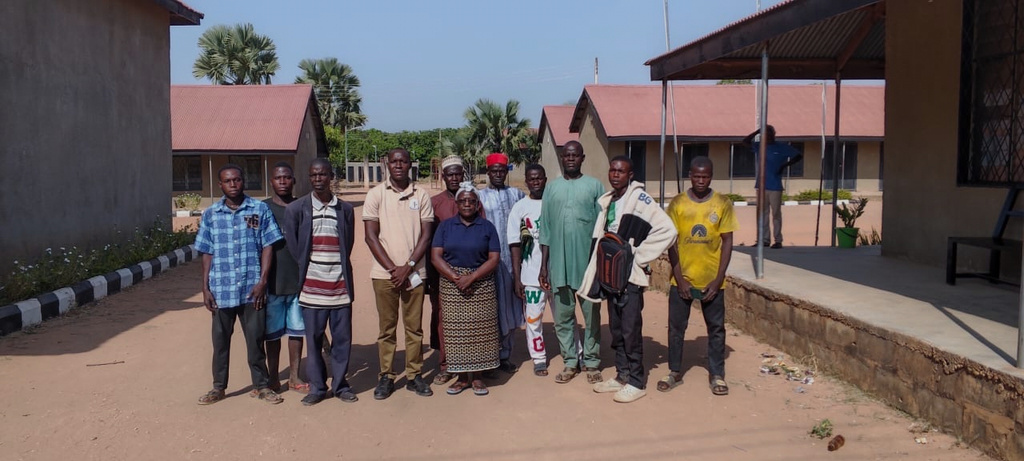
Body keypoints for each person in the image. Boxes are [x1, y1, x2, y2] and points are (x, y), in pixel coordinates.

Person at [578, 156, 676, 403]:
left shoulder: (640, 200)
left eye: (621, 171)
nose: (615, 174)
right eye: (612, 170)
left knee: (631, 329)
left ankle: (636, 381)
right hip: (611, 274)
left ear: (630, 174)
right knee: (617, 328)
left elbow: (668, 230)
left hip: (629, 277)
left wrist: (639, 257)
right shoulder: (611, 199)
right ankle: (622, 375)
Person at [194, 164, 284, 405]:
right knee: (220, 342)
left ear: (243, 181)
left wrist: (263, 281)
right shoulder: (211, 214)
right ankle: (218, 387)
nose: (233, 184)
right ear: (220, 185)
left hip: (251, 289)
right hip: (221, 290)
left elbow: (268, 245)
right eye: (227, 181)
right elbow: (207, 252)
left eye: (237, 180)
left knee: (255, 340)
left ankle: (262, 386)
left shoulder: (258, 209)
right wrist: (205, 288)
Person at [283, 159, 358, 406]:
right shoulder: (297, 209)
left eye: (323, 174)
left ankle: (340, 385)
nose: (318, 179)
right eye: (314, 175)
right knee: (314, 341)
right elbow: (295, 248)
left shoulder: (345, 209)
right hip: (312, 288)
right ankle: (317, 387)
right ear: (309, 177)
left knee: (342, 340)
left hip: (340, 287)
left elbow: (347, 244)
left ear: (331, 177)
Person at [363, 148, 435, 399]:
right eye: (394, 161)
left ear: (409, 165)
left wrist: (410, 265)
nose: (398, 165)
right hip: (385, 276)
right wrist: (394, 269)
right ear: (386, 164)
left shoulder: (422, 194)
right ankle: (386, 376)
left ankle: (414, 375)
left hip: (415, 273)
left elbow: (426, 235)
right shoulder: (375, 194)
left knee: (414, 328)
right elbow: (370, 237)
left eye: (403, 161)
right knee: (387, 329)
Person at [663, 156, 737, 396]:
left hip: (712, 282)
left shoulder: (722, 204)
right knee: (676, 328)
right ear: (690, 175)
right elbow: (671, 244)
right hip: (682, 280)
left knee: (716, 329)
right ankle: (674, 371)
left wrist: (718, 279)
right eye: (697, 176)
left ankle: (717, 375)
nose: (701, 181)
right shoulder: (677, 204)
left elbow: (727, 242)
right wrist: (680, 279)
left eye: (705, 176)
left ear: (711, 176)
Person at [538, 140, 606, 384]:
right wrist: (544, 266)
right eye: (566, 155)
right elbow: (544, 229)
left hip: (588, 267)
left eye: (575, 155)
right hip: (559, 265)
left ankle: (592, 362)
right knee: (563, 318)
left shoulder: (594, 186)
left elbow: (604, 227)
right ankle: (570, 362)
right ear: (562, 157)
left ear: (582, 158)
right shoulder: (551, 189)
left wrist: (600, 266)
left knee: (592, 317)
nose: (570, 159)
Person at [430, 185, 502, 396]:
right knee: (456, 333)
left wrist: (472, 277)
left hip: (482, 283)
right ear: (457, 204)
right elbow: (436, 256)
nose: (468, 204)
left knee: (481, 333)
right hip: (452, 285)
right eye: (463, 201)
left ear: (477, 204)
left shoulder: (487, 227)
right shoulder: (445, 227)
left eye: (471, 201)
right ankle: (461, 378)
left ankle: (478, 377)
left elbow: (494, 258)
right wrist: (456, 278)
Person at [427, 155, 486, 386]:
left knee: (474, 320)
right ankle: (446, 365)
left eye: (458, 173)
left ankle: (478, 364)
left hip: (472, 272)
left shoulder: (474, 200)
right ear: (443, 176)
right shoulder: (434, 203)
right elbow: (428, 239)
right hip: (441, 272)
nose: (454, 178)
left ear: (463, 175)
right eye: (449, 174)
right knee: (443, 319)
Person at [477, 152, 526, 374]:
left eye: (501, 171)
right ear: (488, 173)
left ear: (507, 172)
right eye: (494, 171)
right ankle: (488, 356)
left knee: (511, 308)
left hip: (513, 260)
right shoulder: (479, 197)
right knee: (489, 309)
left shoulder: (517, 194)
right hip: (488, 261)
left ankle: (505, 354)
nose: (498, 174)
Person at [262, 162, 308, 394]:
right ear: (271, 181)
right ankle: (272, 378)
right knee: (272, 334)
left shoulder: (303, 207)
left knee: (297, 331)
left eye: (287, 178)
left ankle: (294, 376)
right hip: (271, 283)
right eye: (278, 178)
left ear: (294, 181)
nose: (282, 182)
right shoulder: (262, 209)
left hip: (298, 281)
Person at [507, 164, 552, 377]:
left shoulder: (554, 203)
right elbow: (514, 245)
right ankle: (539, 358)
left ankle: (575, 355)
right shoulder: (519, 208)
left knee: (565, 318)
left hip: (557, 274)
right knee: (533, 319)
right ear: (526, 181)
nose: (536, 182)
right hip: (530, 275)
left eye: (539, 178)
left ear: (545, 179)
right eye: (531, 179)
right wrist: (518, 278)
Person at [742, 125, 802, 249]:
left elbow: (798, 155)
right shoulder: (760, 146)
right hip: (761, 185)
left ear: (774, 134)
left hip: (775, 186)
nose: (768, 137)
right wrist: (757, 131)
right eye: (765, 134)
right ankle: (764, 240)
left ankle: (778, 240)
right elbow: (745, 142)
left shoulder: (782, 147)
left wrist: (785, 165)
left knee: (775, 214)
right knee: (762, 214)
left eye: (770, 134)